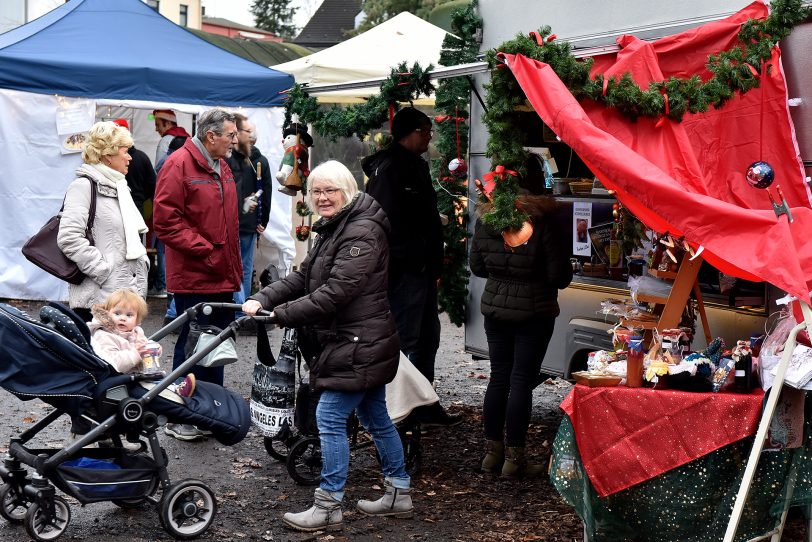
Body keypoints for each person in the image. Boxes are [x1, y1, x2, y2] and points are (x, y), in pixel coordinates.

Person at [243, 160, 413, 532]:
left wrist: (281, 315)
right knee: (375, 417)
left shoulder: (362, 232)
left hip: (358, 343)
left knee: (331, 417)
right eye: (316, 191)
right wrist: (264, 297)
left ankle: (329, 505)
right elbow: (305, 275)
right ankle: (399, 492)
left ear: (346, 191)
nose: (321, 198)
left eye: (329, 191)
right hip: (356, 340)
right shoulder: (336, 227)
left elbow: (336, 292)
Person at [362, 107, 459, 427]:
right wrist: (410, 255)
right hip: (404, 272)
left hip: (422, 269)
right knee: (404, 341)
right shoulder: (389, 170)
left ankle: (426, 403)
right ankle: (398, 411)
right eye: (425, 130)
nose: (430, 136)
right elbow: (380, 223)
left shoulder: (413, 166)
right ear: (409, 133)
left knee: (428, 338)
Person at [469, 182, 573, 477]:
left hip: (495, 308)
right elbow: (558, 275)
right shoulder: (543, 221)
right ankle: (514, 459)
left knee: (499, 378)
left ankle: (492, 454)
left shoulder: (487, 217)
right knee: (521, 381)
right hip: (534, 311)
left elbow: (477, 266)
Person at [153, 109, 242, 441]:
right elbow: (165, 223)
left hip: (220, 272)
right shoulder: (178, 165)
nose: (235, 141)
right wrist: (207, 250)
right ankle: (181, 415)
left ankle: (208, 413)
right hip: (197, 272)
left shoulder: (222, 165)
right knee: (193, 344)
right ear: (211, 136)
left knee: (215, 344)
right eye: (230, 135)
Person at [57, 121, 149, 324]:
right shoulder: (83, 186)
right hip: (99, 301)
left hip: (124, 301)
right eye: (125, 151)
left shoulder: (120, 187)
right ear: (108, 155)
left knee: (125, 355)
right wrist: (102, 271)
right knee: (104, 354)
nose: (130, 157)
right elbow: (68, 238)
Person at [88, 289, 196, 398]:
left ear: (137, 319)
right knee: (154, 388)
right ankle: (176, 394)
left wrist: (153, 349)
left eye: (129, 315)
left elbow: (143, 347)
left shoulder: (135, 332)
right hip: (119, 382)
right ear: (107, 313)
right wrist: (136, 353)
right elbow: (112, 364)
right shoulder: (104, 335)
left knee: (160, 379)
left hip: (139, 376)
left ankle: (175, 389)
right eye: (117, 313)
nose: (122, 318)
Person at [226, 114, 272, 313]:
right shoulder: (259, 160)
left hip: (236, 222)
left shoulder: (228, 160)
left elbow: (267, 193)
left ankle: (237, 309)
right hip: (245, 222)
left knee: (237, 266)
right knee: (243, 267)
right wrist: (263, 221)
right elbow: (266, 193)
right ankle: (240, 309)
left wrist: (262, 221)